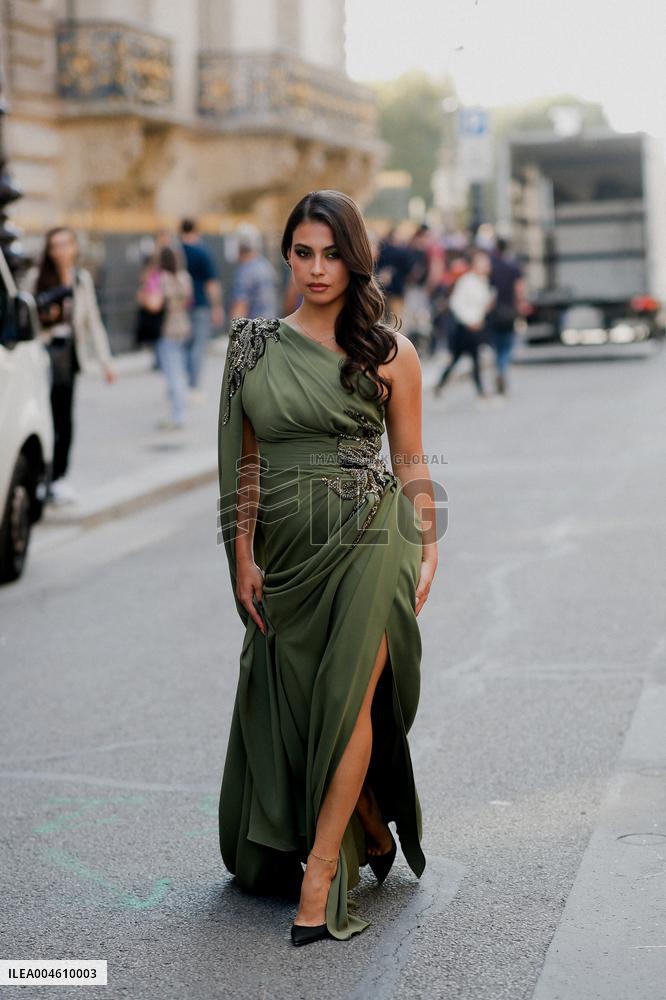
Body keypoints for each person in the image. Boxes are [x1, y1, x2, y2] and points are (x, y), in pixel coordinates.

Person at [217, 190, 438, 946]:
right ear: (287, 255)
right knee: (307, 702)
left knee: (346, 698)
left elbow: (408, 457)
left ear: (355, 258)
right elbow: (245, 466)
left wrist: (430, 539)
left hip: (376, 535)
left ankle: (319, 879)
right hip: (286, 552)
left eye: (332, 253)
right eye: (304, 253)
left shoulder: (390, 351)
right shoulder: (251, 345)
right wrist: (242, 552)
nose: (318, 269)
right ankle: (370, 824)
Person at [24, 227, 116, 505]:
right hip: (43, 358)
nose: (61, 251)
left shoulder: (81, 280)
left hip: (70, 359)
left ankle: (59, 478)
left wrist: (105, 362)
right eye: (55, 246)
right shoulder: (35, 277)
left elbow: (93, 323)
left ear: (74, 247)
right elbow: (25, 319)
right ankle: (41, 479)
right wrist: (44, 317)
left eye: (65, 244)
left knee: (65, 418)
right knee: (44, 419)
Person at [433, 249, 496, 399]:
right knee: (462, 358)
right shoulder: (467, 281)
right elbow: (456, 304)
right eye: (483, 263)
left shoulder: (484, 282)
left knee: (471, 358)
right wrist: (471, 321)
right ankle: (479, 391)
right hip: (465, 327)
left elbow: (481, 305)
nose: (487, 266)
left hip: (476, 326)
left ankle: (478, 390)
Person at [179, 218, 224, 396]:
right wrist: (217, 307)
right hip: (199, 304)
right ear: (196, 230)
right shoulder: (202, 252)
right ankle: (193, 387)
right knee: (198, 346)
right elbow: (211, 283)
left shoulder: (176, 251)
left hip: (179, 307)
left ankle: (179, 382)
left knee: (182, 345)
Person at [154, 245, 194, 430]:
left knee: (172, 372)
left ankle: (178, 414)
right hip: (183, 325)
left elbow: (156, 303)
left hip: (168, 327)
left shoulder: (162, 279)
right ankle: (177, 411)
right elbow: (189, 301)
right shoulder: (185, 277)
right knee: (178, 368)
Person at [488, 237, 527, 395]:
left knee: (497, 345)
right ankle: (502, 369)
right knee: (508, 344)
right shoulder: (513, 267)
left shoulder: (491, 267)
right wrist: (520, 305)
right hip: (509, 310)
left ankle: (499, 368)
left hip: (493, 312)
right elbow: (519, 289)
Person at [229, 223, 278, 320]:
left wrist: (233, 331)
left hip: (252, 331)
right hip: (269, 327)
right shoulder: (265, 265)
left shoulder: (245, 271)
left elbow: (240, 307)